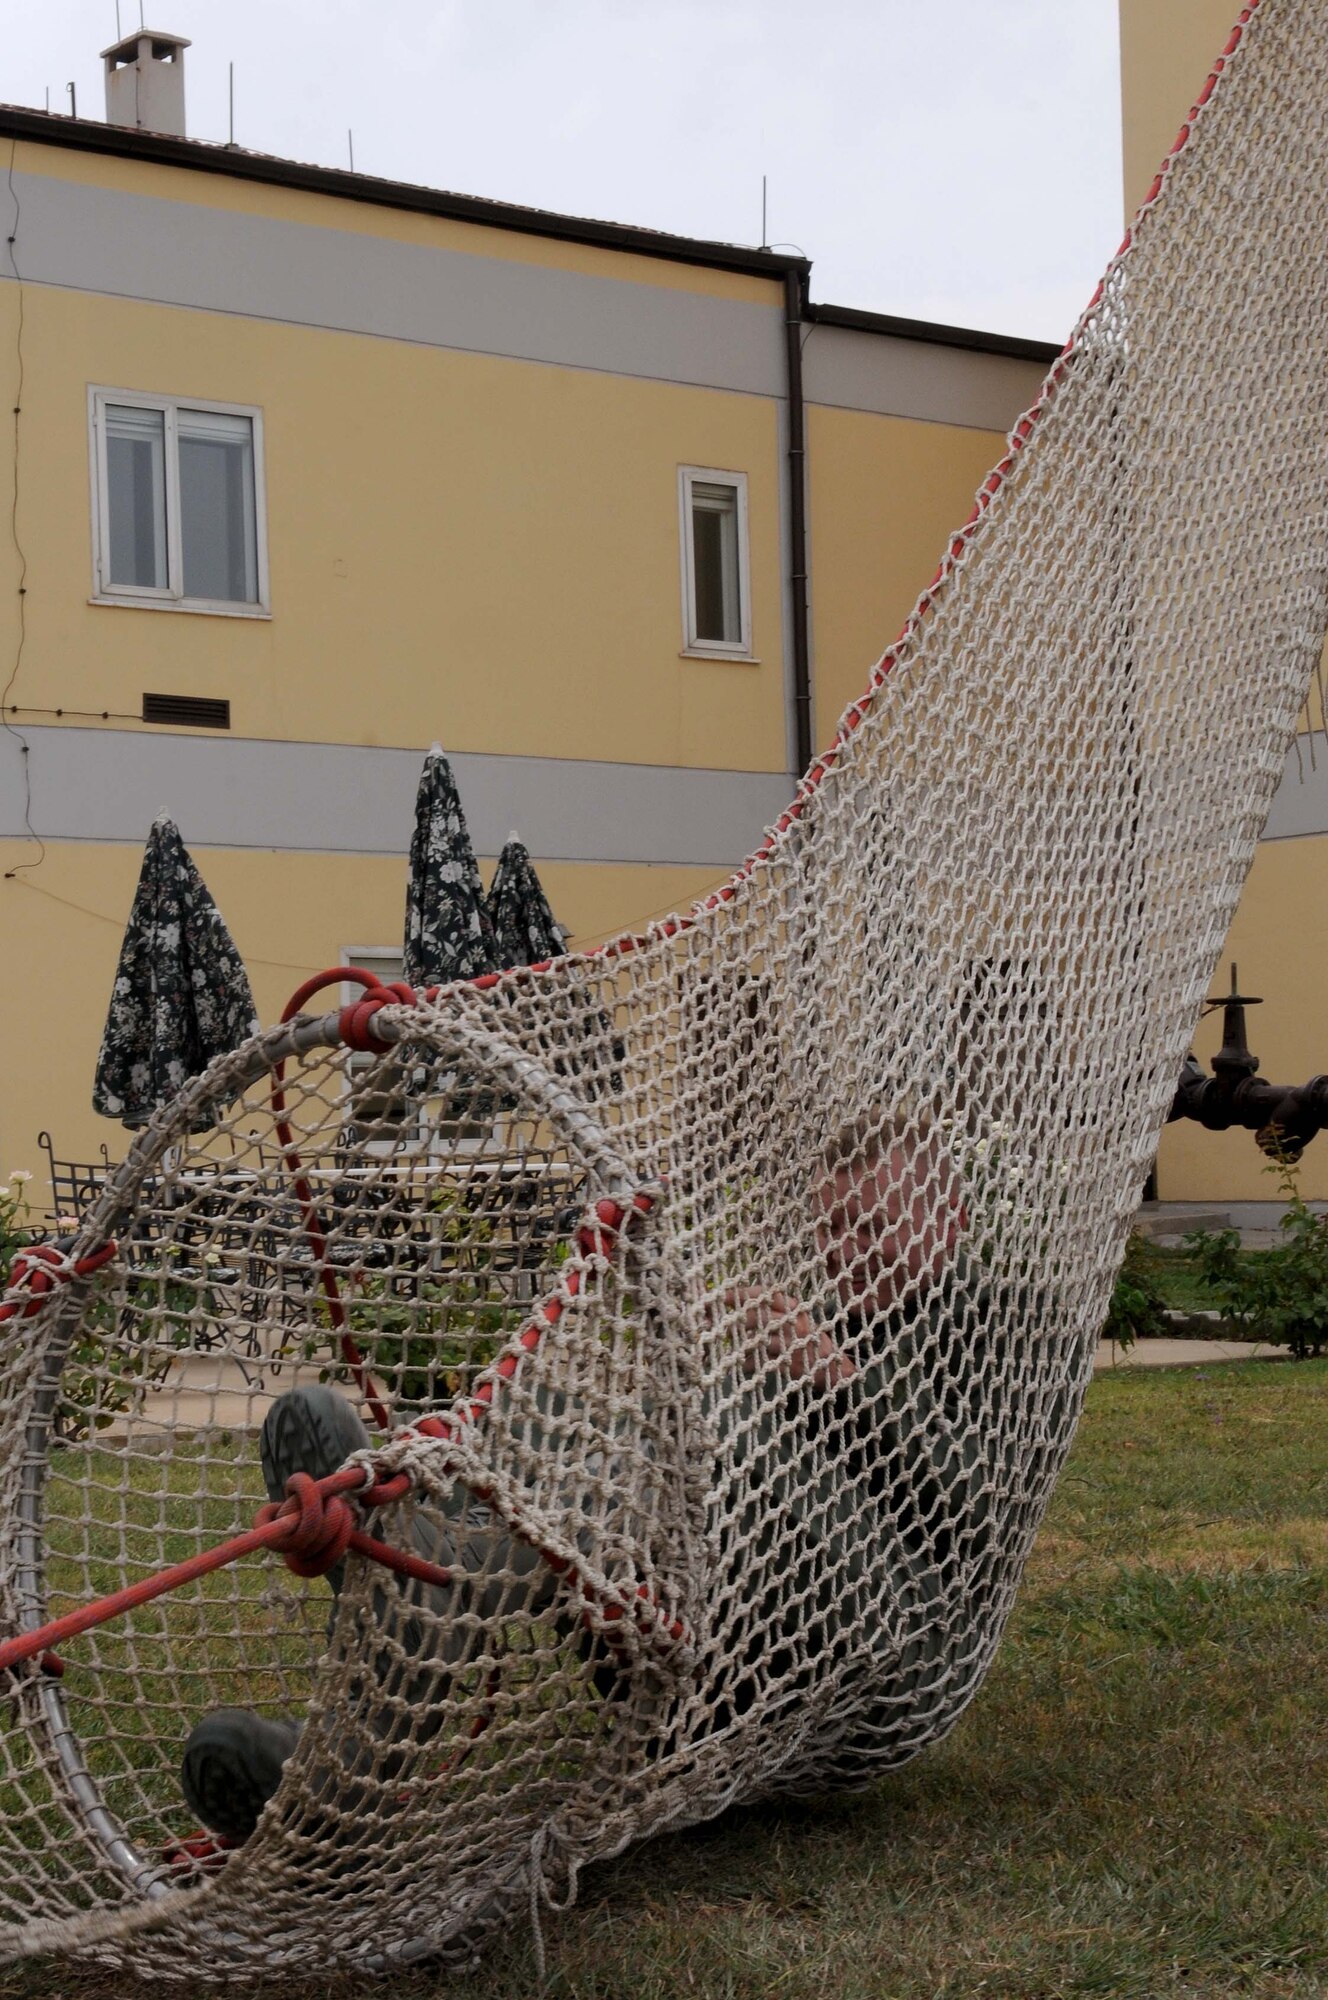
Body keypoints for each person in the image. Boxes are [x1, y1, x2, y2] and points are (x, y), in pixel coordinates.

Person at [180, 1108, 967, 1839]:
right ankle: (422, 1530)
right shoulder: (828, 1317)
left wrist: (837, 1388)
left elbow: (966, 1523)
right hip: (715, 1670)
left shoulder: (1003, 1329)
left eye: (873, 1225)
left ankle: (374, 1695)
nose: (844, 1249)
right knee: (594, 1406)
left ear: (950, 1220)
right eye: (834, 1227)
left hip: (884, 1665)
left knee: (714, 1427)